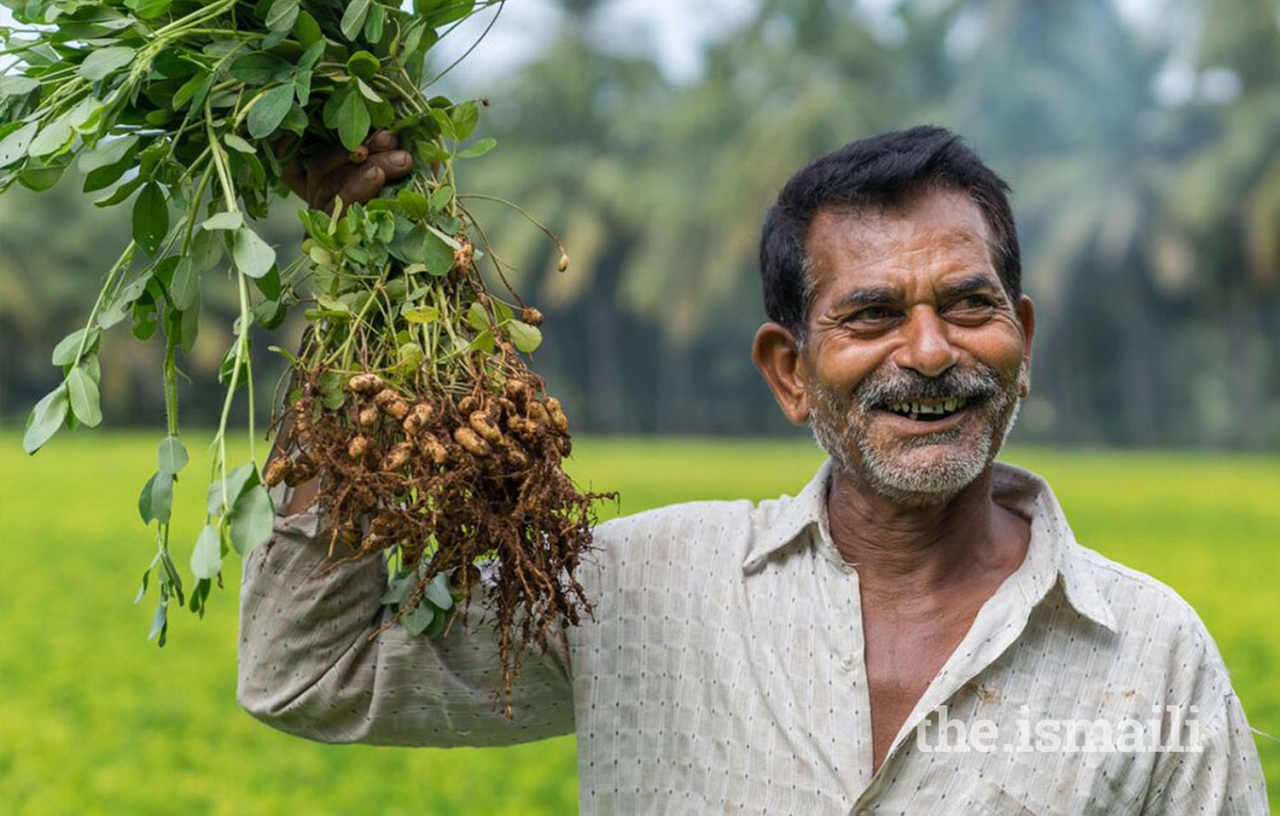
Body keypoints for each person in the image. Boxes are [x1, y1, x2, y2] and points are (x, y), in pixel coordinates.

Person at [240, 126, 1268, 814]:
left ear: (1021, 338)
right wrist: (357, 288)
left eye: (966, 305)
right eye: (868, 315)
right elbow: (311, 672)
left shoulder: (1148, 651)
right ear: (788, 372)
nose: (926, 352)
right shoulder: (639, 589)